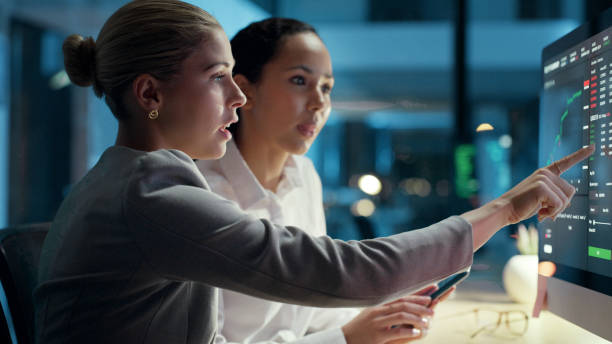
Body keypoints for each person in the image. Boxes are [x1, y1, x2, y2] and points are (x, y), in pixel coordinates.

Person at [33, 1, 593, 343]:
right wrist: (501, 210)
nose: (236, 97)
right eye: (217, 78)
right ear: (150, 92)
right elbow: (339, 271)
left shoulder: (139, 178)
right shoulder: (151, 195)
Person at [196, 18, 452, 344]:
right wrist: (347, 338)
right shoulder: (203, 195)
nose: (319, 103)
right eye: (300, 80)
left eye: (327, 87)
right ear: (245, 90)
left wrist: (380, 316)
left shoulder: (304, 177)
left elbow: (308, 304)